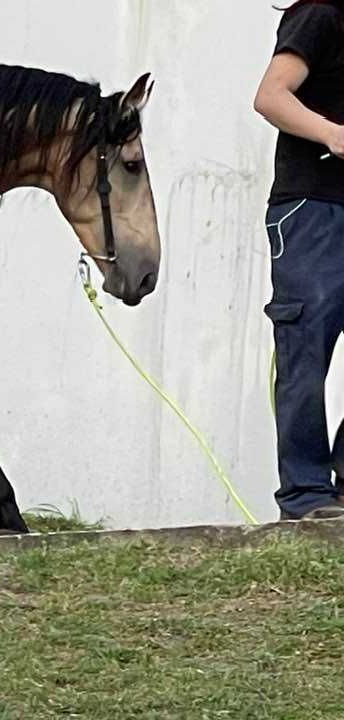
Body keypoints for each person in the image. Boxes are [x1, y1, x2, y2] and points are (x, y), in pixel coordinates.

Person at [254, 0, 344, 519]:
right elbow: (270, 96)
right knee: (305, 347)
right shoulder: (322, 14)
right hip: (311, 207)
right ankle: (307, 496)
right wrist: (333, 133)